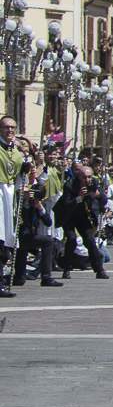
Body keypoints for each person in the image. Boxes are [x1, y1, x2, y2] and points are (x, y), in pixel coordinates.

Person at [57, 162, 109, 280]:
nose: (87, 180)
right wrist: (79, 197)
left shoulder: (94, 183)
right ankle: (66, 268)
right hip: (69, 215)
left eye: (89, 177)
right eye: (84, 177)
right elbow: (66, 204)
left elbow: (103, 199)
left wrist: (97, 195)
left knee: (90, 240)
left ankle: (99, 270)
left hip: (84, 216)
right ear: (78, 176)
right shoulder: (70, 185)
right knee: (71, 239)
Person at [0, 116, 23, 297]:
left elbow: (18, 175)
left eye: (12, 128)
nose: (10, 131)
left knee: (9, 238)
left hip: (10, 193)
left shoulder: (15, 151)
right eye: (6, 127)